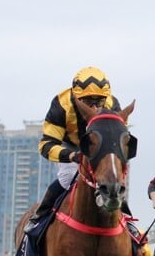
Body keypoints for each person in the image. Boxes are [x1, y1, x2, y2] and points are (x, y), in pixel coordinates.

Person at [26, 66, 128, 232]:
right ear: (76, 97)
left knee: (113, 178)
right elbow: (46, 145)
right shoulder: (61, 105)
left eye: (99, 102)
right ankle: (40, 215)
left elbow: (118, 138)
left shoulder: (112, 104)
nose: (94, 108)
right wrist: (72, 155)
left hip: (99, 147)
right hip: (70, 144)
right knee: (68, 177)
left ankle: (127, 221)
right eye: (88, 102)